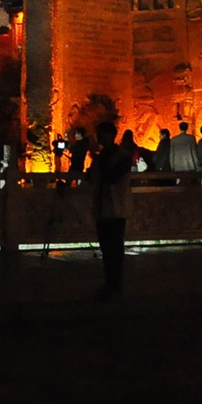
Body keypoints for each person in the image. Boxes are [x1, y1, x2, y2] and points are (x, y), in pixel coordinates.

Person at [91, 121, 131, 299]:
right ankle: (110, 282)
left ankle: (116, 283)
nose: (99, 139)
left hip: (116, 207)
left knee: (115, 248)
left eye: (102, 135)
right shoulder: (102, 156)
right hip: (102, 207)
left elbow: (112, 176)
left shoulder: (121, 155)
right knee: (106, 248)